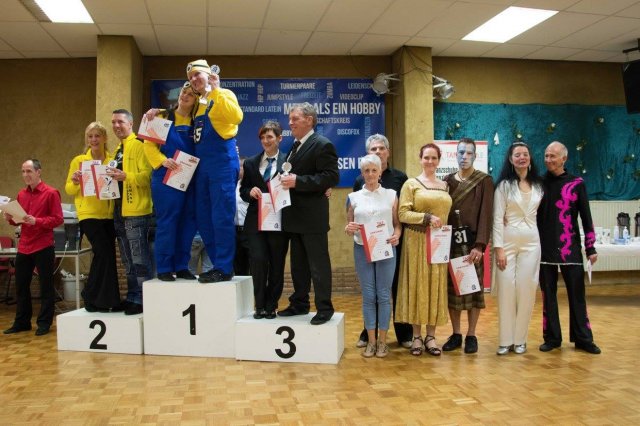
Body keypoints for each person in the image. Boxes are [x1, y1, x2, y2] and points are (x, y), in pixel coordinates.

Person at [278, 102, 340, 325]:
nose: (290, 123)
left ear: (309, 120)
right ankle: (300, 303)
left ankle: (324, 308)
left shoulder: (322, 144)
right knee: (298, 266)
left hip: (313, 219)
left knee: (318, 265)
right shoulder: (294, 146)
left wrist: (298, 181)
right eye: (290, 119)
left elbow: (331, 177)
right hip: (294, 217)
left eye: (295, 118)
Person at [537, 141, 601, 354]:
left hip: (570, 248)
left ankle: (583, 338)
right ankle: (552, 338)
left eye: (553, 156)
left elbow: (586, 216)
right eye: (546, 156)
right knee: (548, 296)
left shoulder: (577, 183)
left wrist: (590, 247)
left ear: (564, 158)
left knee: (577, 295)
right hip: (543, 248)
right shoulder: (538, 183)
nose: (548, 160)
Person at [352, 134, 412, 349]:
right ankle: (370, 335)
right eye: (373, 149)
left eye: (381, 148)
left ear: (388, 152)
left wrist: (398, 234)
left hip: (390, 244)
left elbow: (402, 213)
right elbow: (354, 214)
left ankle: (402, 333)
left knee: (391, 289)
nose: (377, 152)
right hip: (366, 247)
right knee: (370, 293)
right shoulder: (358, 183)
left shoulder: (400, 179)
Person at [186, 59, 243, 283]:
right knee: (203, 217)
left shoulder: (223, 94)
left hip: (221, 164)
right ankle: (218, 263)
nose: (193, 79)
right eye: (190, 77)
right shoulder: (198, 104)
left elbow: (236, 117)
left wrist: (217, 90)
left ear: (208, 75)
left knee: (221, 217)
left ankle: (224, 267)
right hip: (202, 168)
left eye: (197, 75)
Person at [396, 143, 452, 356]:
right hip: (417, 240)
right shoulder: (411, 184)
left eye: (434, 158)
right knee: (418, 285)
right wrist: (426, 218)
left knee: (435, 285)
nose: (430, 161)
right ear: (420, 159)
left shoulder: (445, 185)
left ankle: (431, 336)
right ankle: (417, 336)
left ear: (439, 161)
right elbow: (403, 214)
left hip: (439, 242)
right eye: (426, 157)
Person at [346, 154, 402, 358]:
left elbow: (397, 224)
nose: (370, 174)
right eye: (366, 170)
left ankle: (382, 342)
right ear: (362, 173)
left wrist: (396, 236)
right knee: (369, 296)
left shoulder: (391, 195)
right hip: (362, 249)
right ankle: (371, 341)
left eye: (374, 170)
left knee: (384, 295)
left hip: (385, 249)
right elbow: (349, 224)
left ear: (380, 173)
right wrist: (349, 228)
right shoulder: (353, 197)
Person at [442, 138, 494, 354]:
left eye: (469, 153)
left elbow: (486, 214)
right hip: (450, 243)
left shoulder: (484, 181)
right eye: (461, 152)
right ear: (455, 154)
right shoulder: (447, 181)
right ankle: (456, 334)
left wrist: (480, 245)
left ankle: (472, 335)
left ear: (475, 156)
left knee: (473, 291)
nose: (464, 157)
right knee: (453, 291)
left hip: (472, 244)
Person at [143, 82, 198, 282]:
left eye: (190, 94)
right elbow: (149, 146)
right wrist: (162, 161)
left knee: (188, 223)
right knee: (167, 222)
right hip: (165, 176)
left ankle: (182, 266)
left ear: (196, 100)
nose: (185, 95)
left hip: (190, 178)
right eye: (184, 91)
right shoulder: (161, 117)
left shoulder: (197, 122)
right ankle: (165, 267)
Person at [492, 142, 543, 355]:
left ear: (530, 158)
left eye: (525, 154)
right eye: (517, 155)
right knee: (506, 289)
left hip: (532, 243)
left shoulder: (539, 185)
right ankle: (505, 340)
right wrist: (498, 248)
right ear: (510, 159)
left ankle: (520, 339)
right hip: (507, 241)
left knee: (527, 289)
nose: (522, 157)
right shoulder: (504, 186)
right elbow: (497, 218)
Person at [65, 122, 121, 312]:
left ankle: (108, 301)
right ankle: (90, 295)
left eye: (97, 136)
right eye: (90, 136)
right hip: (88, 215)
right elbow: (69, 189)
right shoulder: (79, 161)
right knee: (103, 252)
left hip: (108, 215)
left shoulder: (112, 161)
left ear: (104, 138)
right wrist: (75, 181)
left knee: (107, 255)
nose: (94, 140)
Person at [3, 159, 63, 336]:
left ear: (38, 172)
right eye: (23, 171)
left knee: (46, 286)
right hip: (25, 246)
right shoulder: (21, 194)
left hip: (43, 245)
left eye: (29, 171)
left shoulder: (51, 193)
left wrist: (37, 221)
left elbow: (58, 219)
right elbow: (19, 220)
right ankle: (22, 322)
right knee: (21, 286)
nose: (25, 175)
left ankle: (44, 323)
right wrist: (10, 218)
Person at [240, 121, 290, 319]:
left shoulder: (288, 161)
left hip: (279, 220)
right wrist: (249, 191)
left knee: (277, 264)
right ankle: (259, 305)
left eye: (270, 137)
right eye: (262, 137)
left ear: (279, 138)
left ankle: (271, 305)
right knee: (258, 262)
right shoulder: (251, 163)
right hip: (255, 222)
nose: (266, 141)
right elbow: (243, 191)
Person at [110, 109, 154, 315]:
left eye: (120, 121)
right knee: (127, 260)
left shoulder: (140, 145)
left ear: (131, 123)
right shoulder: (118, 149)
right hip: (119, 210)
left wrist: (126, 176)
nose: (116, 126)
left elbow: (148, 176)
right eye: (113, 122)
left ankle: (145, 299)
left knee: (139, 258)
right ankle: (132, 296)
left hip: (137, 211)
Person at [234, 156, 250, 276]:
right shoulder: (232, 186)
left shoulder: (253, 186)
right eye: (238, 166)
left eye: (242, 166)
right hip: (234, 232)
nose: (239, 169)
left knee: (253, 265)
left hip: (250, 231)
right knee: (238, 267)